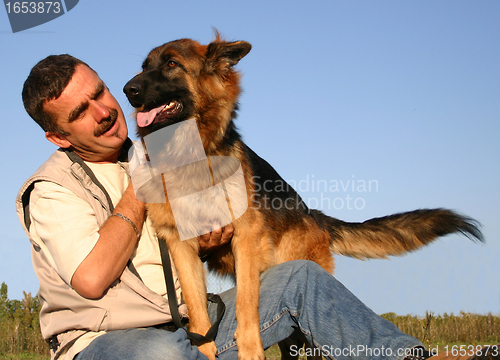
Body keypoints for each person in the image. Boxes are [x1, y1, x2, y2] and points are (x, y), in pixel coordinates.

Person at [16, 54, 429, 360]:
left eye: (100, 93)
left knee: (301, 277)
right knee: (162, 354)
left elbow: (205, 237)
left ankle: (406, 356)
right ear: (59, 137)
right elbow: (90, 279)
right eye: (81, 112)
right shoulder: (51, 188)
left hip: (194, 324)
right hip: (109, 342)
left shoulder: (164, 144)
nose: (105, 112)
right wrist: (141, 185)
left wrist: (213, 236)